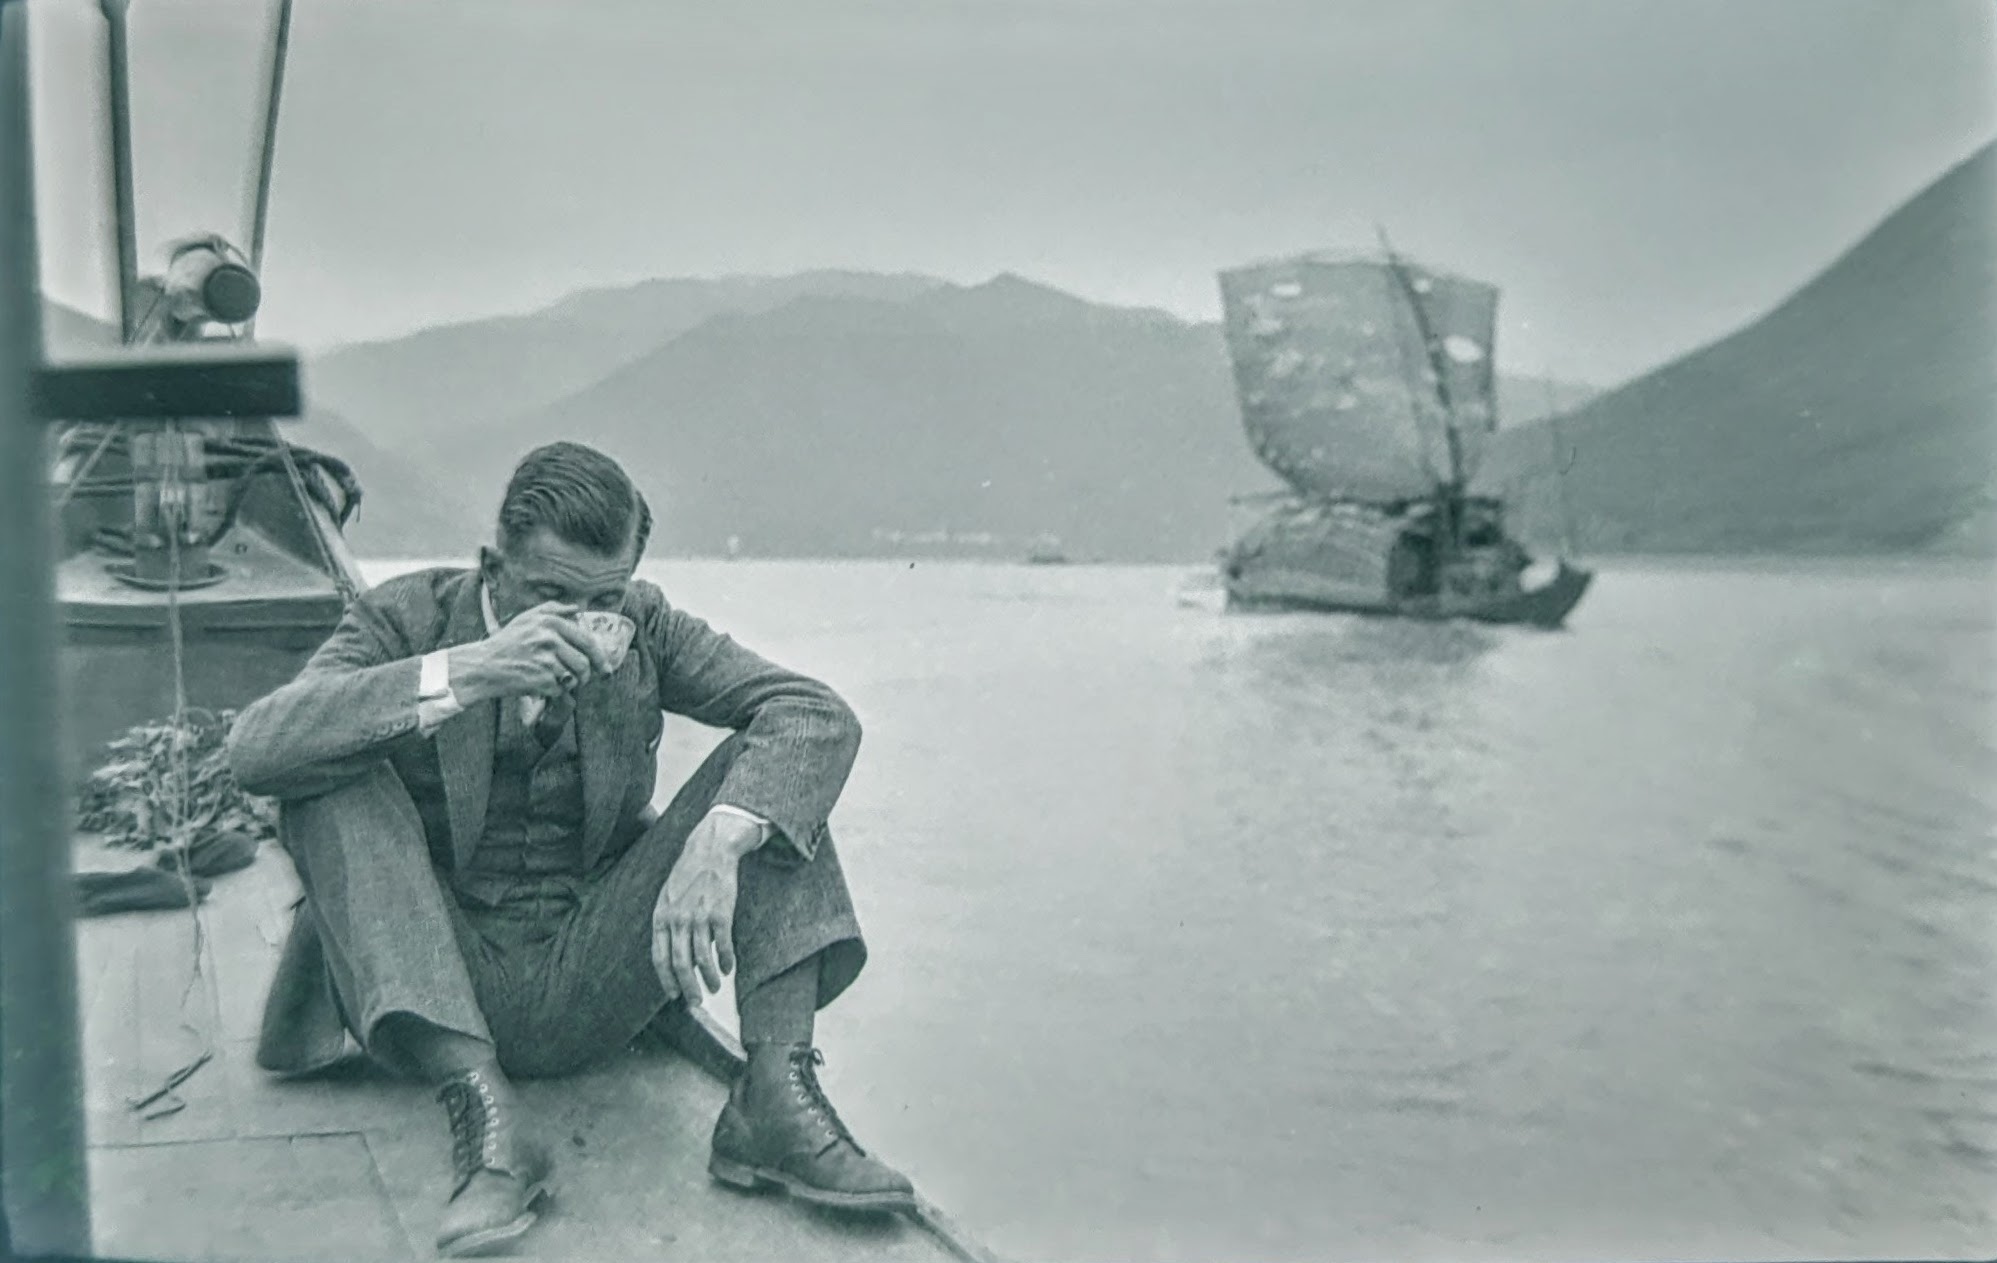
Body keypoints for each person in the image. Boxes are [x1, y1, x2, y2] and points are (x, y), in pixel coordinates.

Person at [227, 441, 910, 1257]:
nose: (580, 628)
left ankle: (772, 1096)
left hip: (587, 977)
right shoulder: (405, 618)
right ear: (491, 567)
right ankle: (486, 1119)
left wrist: (721, 841)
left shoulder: (645, 626)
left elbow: (815, 712)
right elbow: (256, 748)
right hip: (430, 986)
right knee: (328, 774)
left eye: (601, 600)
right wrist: (471, 671)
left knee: (772, 779)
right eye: (548, 595)